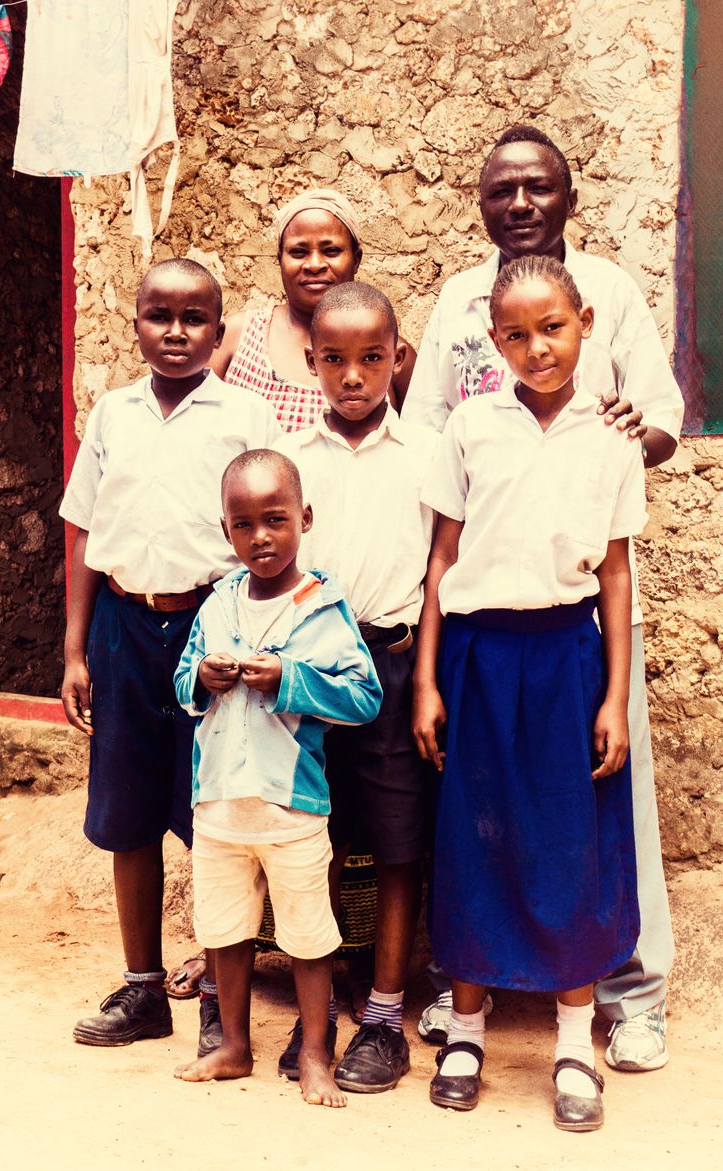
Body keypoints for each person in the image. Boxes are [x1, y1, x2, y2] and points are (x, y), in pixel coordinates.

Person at [403, 125, 683, 1072]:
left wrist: (612, 439)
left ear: (569, 195)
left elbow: (661, 421)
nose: (520, 203)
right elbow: (430, 435)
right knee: (478, 806)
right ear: (480, 205)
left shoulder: (610, 290)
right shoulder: (455, 302)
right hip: (487, 611)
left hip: (578, 614)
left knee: (605, 798)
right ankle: (463, 985)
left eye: (538, 187)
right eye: (501, 190)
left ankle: (629, 992)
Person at [413, 255, 645, 1131]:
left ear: (585, 320)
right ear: (493, 339)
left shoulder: (612, 432)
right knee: (477, 844)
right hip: (477, 655)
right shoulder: (471, 425)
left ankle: (575, 1041)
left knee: (567, 847)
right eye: (516, 333)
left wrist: (615, 696)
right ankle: (466, 1029)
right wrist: (428, 679)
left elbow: (616, 576)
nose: (537, 347)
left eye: (553, 327)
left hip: (564, 660)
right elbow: (441, 560)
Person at [59, 258, 281, 1052]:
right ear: (137, 326)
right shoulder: (114, 414)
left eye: (195, 318)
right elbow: (83, 530)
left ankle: (223, 999)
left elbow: (272, 533)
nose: (177, 331)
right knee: (128, 814)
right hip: (123, 628)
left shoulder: (244, 416)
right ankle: (144, 988)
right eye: (161, 315)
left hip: (212, 629)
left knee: (217, 816)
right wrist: (75, 648)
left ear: (219, 333)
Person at [171, 449, 382, 1105]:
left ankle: (317, 1052)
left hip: (292, 806)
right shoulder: (217, 605)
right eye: (244, 524)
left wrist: (291, 680)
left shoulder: (323, 606)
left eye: (275, 519)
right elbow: (180, 687)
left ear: (304, 518)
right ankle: (233, 1043)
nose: (260, 537)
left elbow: (364, 695)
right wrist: (202, 679)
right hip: (219, 807)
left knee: (308, 935)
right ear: (227, 530)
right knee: (224, 930)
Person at [273, 282, 438, 1093]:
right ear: (310, 361)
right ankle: (323, 1008)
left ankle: (383, 1012)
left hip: (396, 661)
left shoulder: (427, 455)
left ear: (398, 360)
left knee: (401, 841)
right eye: (333, 359)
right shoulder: (290, 459)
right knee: (319, 837)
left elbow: (440, 577)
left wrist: (429, 679)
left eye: (372, 358)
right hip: (313, 670)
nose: (352, 375)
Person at [212, 188, 415, 423]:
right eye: (298, 252)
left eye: (331, 251)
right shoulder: (236, 337)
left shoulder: (388, 352)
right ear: (279, 260)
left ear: (356, 259)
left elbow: (420, 441)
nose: (315, 264)